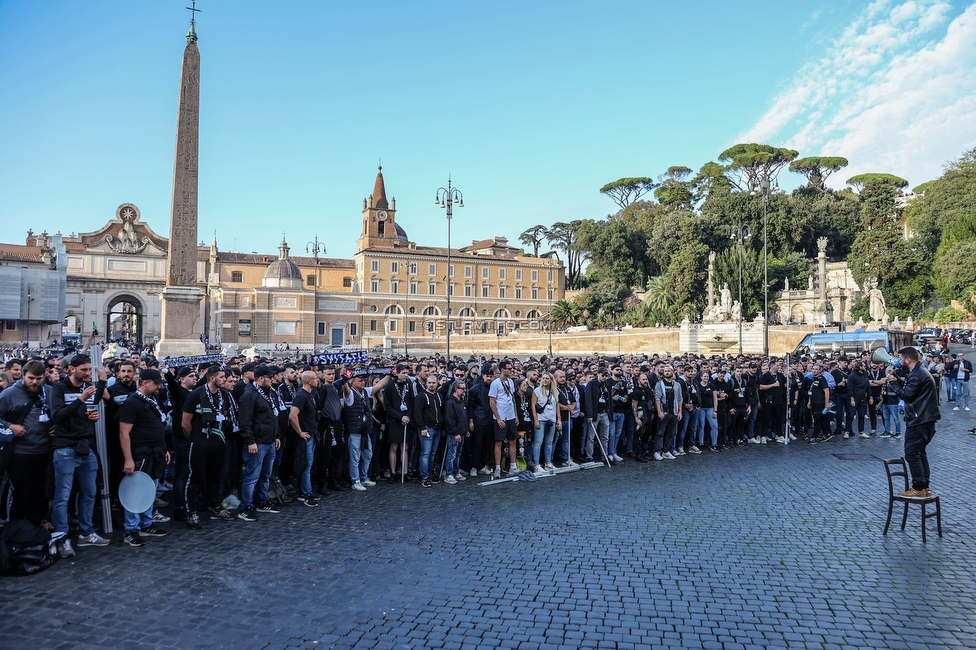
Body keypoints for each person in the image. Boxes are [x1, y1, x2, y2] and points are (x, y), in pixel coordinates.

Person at [49, 354, 110, 556]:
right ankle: (62, 536)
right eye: (83, 369)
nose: (86, 373)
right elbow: (57, 416)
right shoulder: (59, 388)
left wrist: (101, 381)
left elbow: (96, 398)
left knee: (89, 492)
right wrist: (80, 401)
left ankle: (86, 533)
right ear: (71, 369)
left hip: (87, 446)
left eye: (88, 370)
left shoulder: (87, 388)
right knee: (63, 496)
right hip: (65, 447)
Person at [118, 368, 170, 547]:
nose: (158, 387)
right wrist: (128, 459)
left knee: (150, 490)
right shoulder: (132, 402)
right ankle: (130, 529)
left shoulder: (152, 400)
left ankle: (145, 524)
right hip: (140, 454)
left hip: (155, 452)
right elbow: (124, 432)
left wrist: (164, 449)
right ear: (145, 383)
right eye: (156, 384)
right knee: (136, 491)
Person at [0, 360, 52, 526]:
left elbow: (59, 412)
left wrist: (55, 426)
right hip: (20, 453)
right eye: (31, 378)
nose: (35, 382)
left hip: (44, 450)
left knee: (41, 492)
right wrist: (10, 426)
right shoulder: (9, 394)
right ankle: (17, 528)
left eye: (39, 378)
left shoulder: (49, 391)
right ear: (23, 376)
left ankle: (36, 526)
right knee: (22, 493)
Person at [884, 346, 941, 497]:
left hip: (919, 419)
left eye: (901, 359)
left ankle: (918, 487)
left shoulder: (917, 374)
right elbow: (912, 390)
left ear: (908, 360)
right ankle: (924, 487)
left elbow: (907, 395)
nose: (899, 362)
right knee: (919, 453)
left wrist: (892, 382)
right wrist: (897, 380)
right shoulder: (919, 372)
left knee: (912, 454)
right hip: (925, 419)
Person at [181, 366, 233, 530]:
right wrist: (195, 439)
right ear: (212, 378)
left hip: (218, 442)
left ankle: (215, 505)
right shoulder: (196, 394)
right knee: (195, 477)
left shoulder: (223, 394)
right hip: (200, 442)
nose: (224, 380)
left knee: (216, 476)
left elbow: (224, 414)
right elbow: (185, 423)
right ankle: (192, 511)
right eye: (222, 377)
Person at [236, 365, 282, 521]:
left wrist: (276, 435)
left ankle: (263, 501)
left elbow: (272, 417)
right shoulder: (250, 395)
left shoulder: (268, 393)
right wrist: (250, 441)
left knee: (265, 475)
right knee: (251, 476)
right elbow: (244, 420)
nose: (272, 379)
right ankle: (245, 506)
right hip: (257, 442)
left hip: (269, 441)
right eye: (269, 377)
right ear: (261, 378)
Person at [342, 369, 389, 492]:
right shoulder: (350, 394)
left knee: (368, 455)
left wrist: (390, 374)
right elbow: (345, 388)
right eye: (360, 381)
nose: (363, 383)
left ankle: (364, 476)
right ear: (353, 382)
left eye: (363, 381)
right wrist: (345, 377)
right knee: (355, 458)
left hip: (365, 430)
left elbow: (381, 385)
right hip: (354, 431)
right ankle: (355, 480)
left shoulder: (365, 392)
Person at [289, 370, 321, 502]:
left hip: (311, 434)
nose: (317, 380)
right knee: (306, 465)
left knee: (308, 464)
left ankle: (306, 491)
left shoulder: (310, 394)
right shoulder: (302, 396)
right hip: (305, 436)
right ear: (309, 381)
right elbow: (292, 415)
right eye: (315, 378)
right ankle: (306, 493)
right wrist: (300, 432)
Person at [488, 359, 519, 479]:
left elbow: (513, 399)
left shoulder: (511, 382)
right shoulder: (495, 383)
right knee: (498, 443)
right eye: (509, 369)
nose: (511, 371)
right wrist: (498, 418)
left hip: (511, 416)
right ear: (502, 370)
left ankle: (513, 465)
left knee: (513, 441)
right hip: (500, 417)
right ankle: (497, 468)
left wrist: (516, 415)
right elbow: (491, 402)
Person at [530, 371, 559, 472]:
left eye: (547, 378)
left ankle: (548, 463)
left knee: (549, 443)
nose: (545, 380)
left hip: (551, 419)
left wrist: (558, 419)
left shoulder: (555, 391)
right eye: (543, 378)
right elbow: (533, 405)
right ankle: (537, 465)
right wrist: (536, 420)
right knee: (538, 443)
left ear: (551, 380)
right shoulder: (537, 391)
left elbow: (557, 405)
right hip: (541, 419)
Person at [442, 380, 468, 484]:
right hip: (454, 434)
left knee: (458, 454)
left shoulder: (462, 401)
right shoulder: (450, 402)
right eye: (462, 388)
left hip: (461, 432)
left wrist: (465, 430)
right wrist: (455, 433)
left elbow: (464, 417)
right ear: (456, 389)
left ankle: (456, 472)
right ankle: (449, 474)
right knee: (451, 454)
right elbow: (450, 420)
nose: (464, 390)